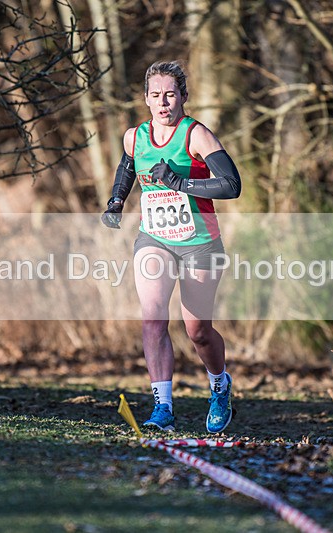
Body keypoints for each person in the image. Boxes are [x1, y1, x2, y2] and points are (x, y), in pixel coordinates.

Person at [101, 60, 242, 433]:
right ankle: (162, 408)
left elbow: (232, 185)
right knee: (153, 317)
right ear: (146, 99)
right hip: (155, 239)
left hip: (200, 243)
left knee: (198, 331)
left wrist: (181, 183)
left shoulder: (196, 135)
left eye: (170, 95)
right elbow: (128, 166)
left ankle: (219, 386)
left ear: (183, 97)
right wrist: (117, 200)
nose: (163, 102)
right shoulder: (135, 136)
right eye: (156, 95)